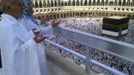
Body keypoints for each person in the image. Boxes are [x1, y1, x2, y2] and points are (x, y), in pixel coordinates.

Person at [0, 0, 47, 75]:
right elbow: (15, 54)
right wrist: (33, 42)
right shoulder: (9, 26)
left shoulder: (7, 22)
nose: (22, 7)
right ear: (8, 7)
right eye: (19, 5)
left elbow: (20, 39)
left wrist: (32, 34)